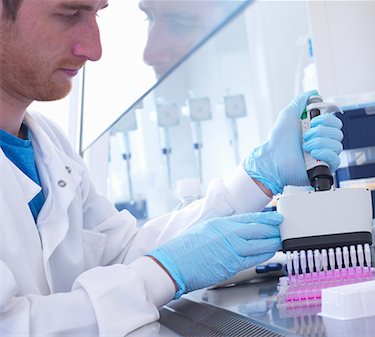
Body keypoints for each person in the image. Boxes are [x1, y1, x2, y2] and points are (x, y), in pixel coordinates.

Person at [0, 0, 343, 335]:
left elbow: (119, 255)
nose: (94, 49)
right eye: (70, 13)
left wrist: (259, 177)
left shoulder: (51, 145)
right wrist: (165, 271)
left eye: (96, 14)